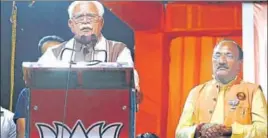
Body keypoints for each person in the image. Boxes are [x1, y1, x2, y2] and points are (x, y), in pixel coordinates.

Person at [38, 1, 141, 99]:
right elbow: (37, 83)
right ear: (71, 24)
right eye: (79, 17)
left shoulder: (119, 50)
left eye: (91, 16)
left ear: (101, 22)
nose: (85, 21)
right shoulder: (54, 53)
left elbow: (132, 87)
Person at [175, 39, 267, 138]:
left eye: (229, 55)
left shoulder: (253, 91)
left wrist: (230, 131)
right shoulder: (197, 92)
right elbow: (180, 132)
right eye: (217, 56)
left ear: (239, 64)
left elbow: (263, 130)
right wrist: (199, 130)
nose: (221, 61)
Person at [13, 36, 64, 138]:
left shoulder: (82, 91)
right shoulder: (27, 93)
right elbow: (22, 134)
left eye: (57, 54)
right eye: (48, 55)